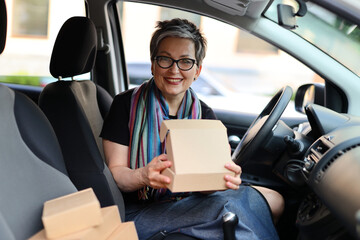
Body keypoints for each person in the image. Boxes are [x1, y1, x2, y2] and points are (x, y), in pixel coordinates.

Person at [101, 18, 283, 240]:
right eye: (165, 59)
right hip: (137, 210)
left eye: (185, 61)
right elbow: (116, 174)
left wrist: (221, 179)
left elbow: (205, 187)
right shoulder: (125, 105)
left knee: (274, 200)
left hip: (187, 202)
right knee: (227, 208)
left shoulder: (205, 116)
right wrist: (143, 176)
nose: (174, 70)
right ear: (152, 64)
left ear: (197, 70)